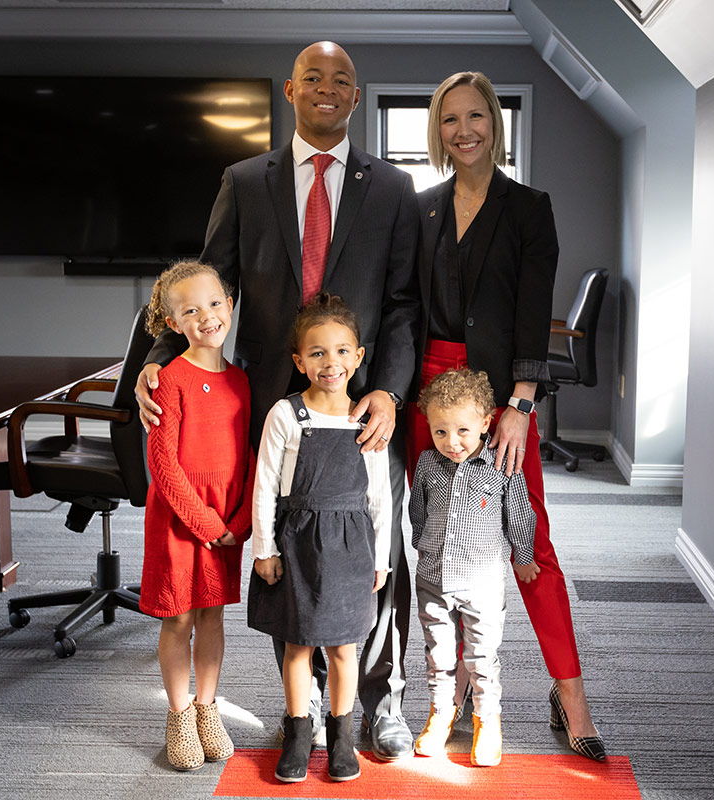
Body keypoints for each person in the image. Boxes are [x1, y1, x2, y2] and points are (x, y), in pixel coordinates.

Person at [135, 41, 420, 760]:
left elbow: (404, 304)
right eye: (314, 78)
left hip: (360, 410)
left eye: (343, 81)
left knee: (369, 548)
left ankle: (375, 704)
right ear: (290, 89)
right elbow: (205, 283)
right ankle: (305, 712)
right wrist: (157, 360)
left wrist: (387, 389)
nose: (328, 89)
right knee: (282, 551)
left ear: (358, 97)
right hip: (270, 409)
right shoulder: (244, 180)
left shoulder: (391, 188)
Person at [407, 71, 606, 761]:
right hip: (428, 403)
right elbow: (409, 307)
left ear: (496, 122)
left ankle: (570, 693)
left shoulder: (529, 207)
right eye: (450, 119)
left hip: (500, 401)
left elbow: (530, 314)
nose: (464, 130)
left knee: (530, 548)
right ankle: (459, 688)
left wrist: (521, 405)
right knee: (441, 545)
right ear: (438, 130)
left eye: (476, 117)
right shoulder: (422, 207)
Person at [248, 294, 392, 783]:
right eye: (317, 353)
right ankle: (297, 732)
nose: (330, 363)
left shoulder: (366, 420)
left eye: (341, 351)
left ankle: (342, 736)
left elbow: (379, 498)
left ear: (358, 356)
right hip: (298, 546)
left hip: (352, 548)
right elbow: (265, 485)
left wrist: (381, 559)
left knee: (345, 648)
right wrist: (263, 549)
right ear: (298, 361)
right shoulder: (286, 416)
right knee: (296, 644)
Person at [139, 261, 255, 772]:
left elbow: (251, 456)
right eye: (190, 310)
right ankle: (179, 714)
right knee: (179, 616)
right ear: (173, 324)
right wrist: (207, 524)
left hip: (227, 523)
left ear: (229, 304)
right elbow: (162, 466)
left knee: (212, 613)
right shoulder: (169, 379)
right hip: (181, 521)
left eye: (213, 303)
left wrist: (242, 521)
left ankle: (209, 707)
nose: (206, 316)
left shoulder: (243, 381)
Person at [409, 368, 539, 767]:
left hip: (482, 583)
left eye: (463, 431)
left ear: (485, 424)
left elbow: (519, 514)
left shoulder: (500, 466)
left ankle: (487, 720)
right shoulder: (428, 464)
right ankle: (440, 714)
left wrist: (525, 554)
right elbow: (418, 512)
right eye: (440, 432)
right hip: (433, 580)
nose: (452, 443)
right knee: (439, 655)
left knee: (482, 657)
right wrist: (422, 546)